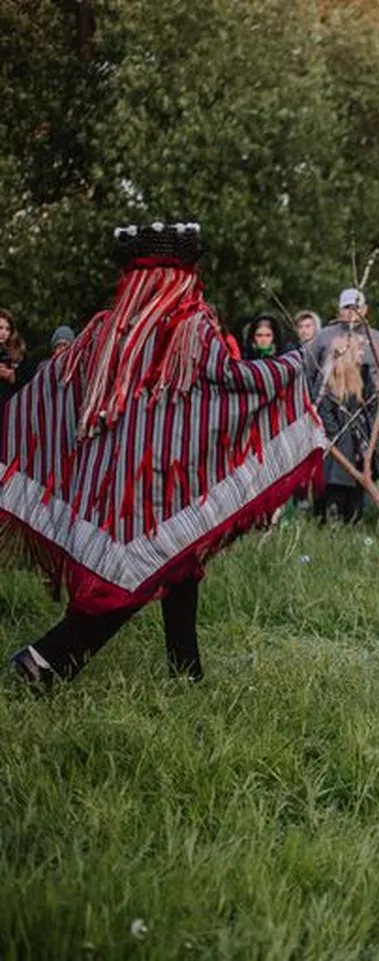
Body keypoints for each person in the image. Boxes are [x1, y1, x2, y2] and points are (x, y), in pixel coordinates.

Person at [4, 223, 325, 688]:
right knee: (136, 571)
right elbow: (230, 378)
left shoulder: (108, 327)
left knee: (180, 564)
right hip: (161, 475)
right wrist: (293, 364)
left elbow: (59, 382)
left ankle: (186, 671)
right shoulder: (189, 323)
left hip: (114, 475)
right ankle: (47, 660)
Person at [313, 330, 379, 524]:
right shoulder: (328, 378)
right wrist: (336, 436)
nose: (362, 353)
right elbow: (323, 410)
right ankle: (331, 527)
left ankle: (354, 523)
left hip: (359, 441)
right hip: (338, 441)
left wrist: (369, 438)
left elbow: (372, 407)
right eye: (358, 349)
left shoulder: (365, 374)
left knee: (356, 491)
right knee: (336, 488)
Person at [304, 288, 379, 403]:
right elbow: (309, 373)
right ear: (339, 310)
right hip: (329, 406)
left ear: (365, 309)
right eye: (347, 307)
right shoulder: (324, 336)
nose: (351, 312)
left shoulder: (377, 340)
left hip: (368, 406)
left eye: (356, 307)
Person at [0, 309, 37, 408]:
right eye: (0, 328)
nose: (4, 333)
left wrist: (13, 378)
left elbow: (31, 380)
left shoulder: (17, 353)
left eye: (7, 329)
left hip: (10, 411)